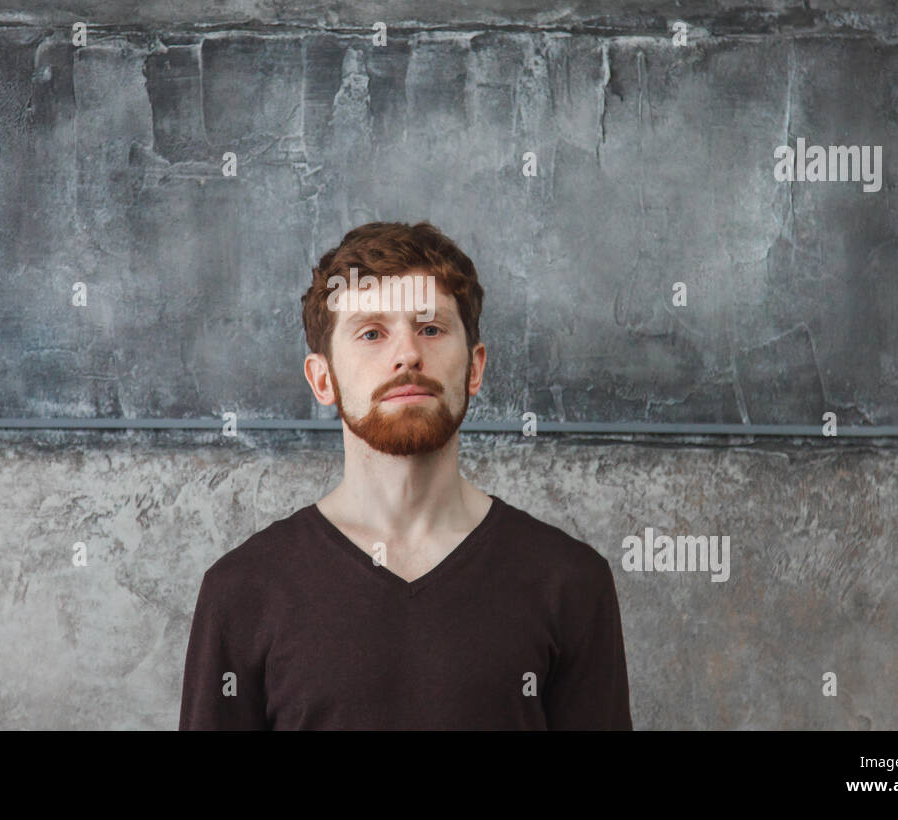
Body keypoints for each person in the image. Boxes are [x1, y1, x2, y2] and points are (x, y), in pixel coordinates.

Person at [179, 221, 632, 729]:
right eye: (372, 333)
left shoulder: (569, 581)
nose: (408, 354)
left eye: (431, 329)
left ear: (475, 368)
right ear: (323, 378)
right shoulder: (243, 591)